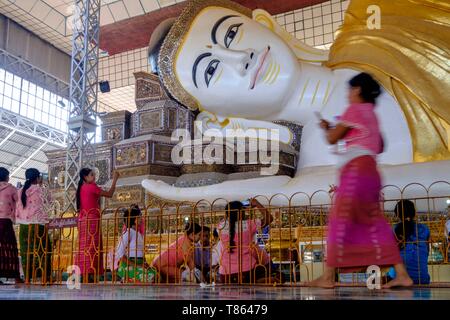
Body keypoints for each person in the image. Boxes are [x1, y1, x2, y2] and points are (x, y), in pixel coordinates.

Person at [309, 73, 413, 288]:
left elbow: (331, 138)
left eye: (349, 90)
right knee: (375, 221)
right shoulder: (372, 115)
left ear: (357, 90)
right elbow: (380, 144)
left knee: (339, 219)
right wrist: (339, 130)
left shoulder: (353, 109)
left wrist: (326, 128)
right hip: (372, 172)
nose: (348, 94)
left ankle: (328, 277)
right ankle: (402, 274)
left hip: (355, 172)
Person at [75, 168, 119, 283]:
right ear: (85, 177)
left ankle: (84, 274)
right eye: (91, 175)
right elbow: (109, 194)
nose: (94, 177)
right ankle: (91, 274)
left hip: (82, 220)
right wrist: (115, 179)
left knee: (84, 248)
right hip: (92, 220)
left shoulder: (82, 188)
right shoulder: (91, 187)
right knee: (93, 248)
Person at [217, 199, 274, 284]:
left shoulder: (220, 226)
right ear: (241, 212)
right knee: (267, 267)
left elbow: (231, 225)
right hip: (246, 271)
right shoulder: (249, 224)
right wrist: (256, 203)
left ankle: (258, 281)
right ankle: (259, 281)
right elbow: (269, 218)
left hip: (225, 274)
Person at [16, 168, 52, 283]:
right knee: (43, 250)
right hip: (39, 225)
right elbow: (49, 204)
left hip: (24, 226)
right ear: (38, 178)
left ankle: (27, 277)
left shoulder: (20, 191)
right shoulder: (42, 190)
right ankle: (43, 276)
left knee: (26, 251)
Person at [387, 200, 430, 284]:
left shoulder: (393, 230)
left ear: (397, 215)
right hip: (422, 279)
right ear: (414, 213)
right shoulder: (425, 229)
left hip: (399, 279)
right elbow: (426, 252)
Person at [115, 205, 156, 283]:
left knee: (157, 275)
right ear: (133, 219)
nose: (141, 219)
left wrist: (144, 263)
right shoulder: (128, 232)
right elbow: (119, 253)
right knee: (150, 276)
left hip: (140, 264)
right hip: (129, 265)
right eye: (139, 217)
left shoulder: (138, 234)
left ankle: (130, 279)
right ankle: (126, 278)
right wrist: (136, 265)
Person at [0, 167, 21, 284]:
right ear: (6, 177)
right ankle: (15, 276)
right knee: (10, 248)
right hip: (5, 221)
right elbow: (19, 201)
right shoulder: (11, 188)